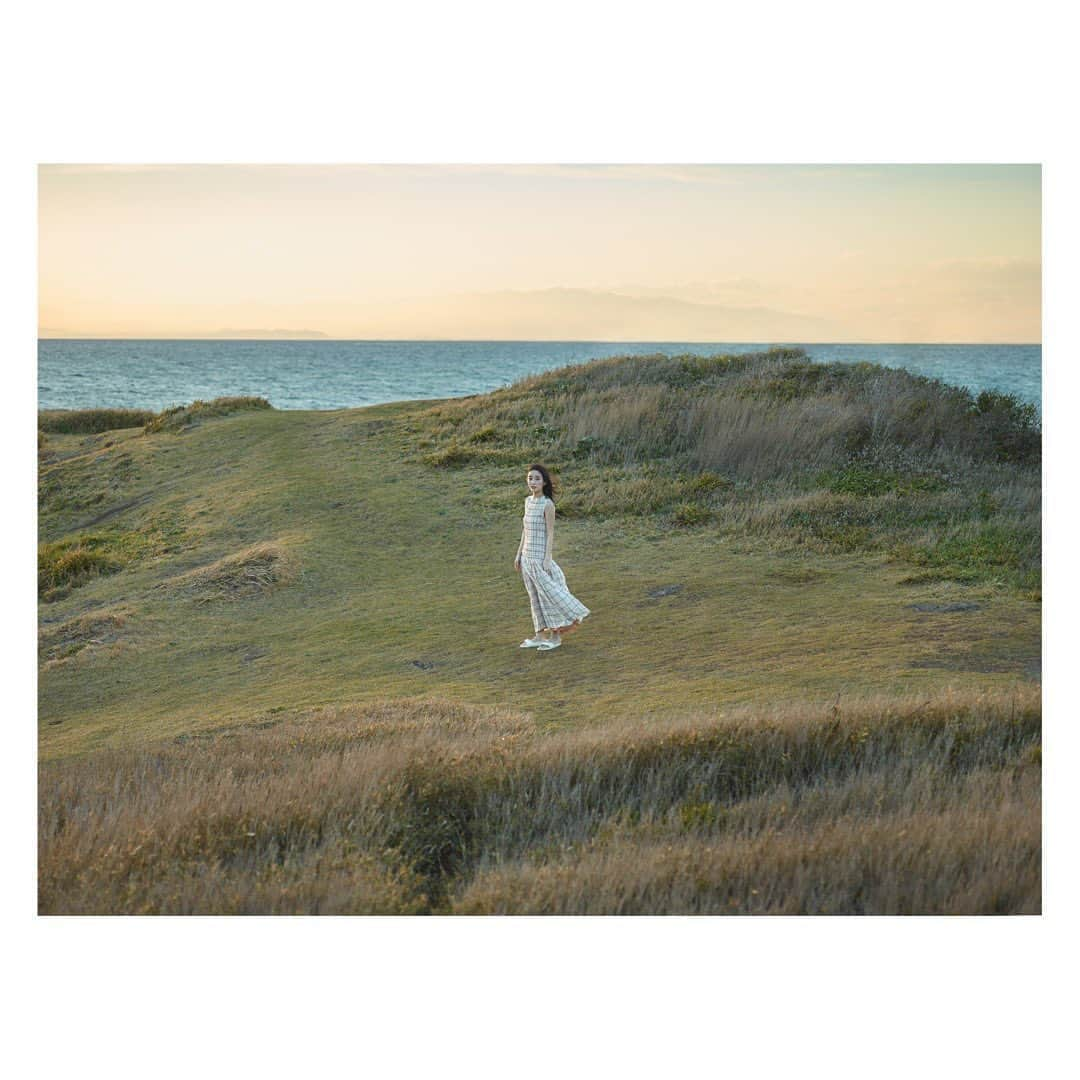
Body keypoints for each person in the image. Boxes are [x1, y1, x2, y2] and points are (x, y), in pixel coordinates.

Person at [513, 464, 590, 651]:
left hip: (540, 559)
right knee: (534, 597)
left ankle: (555, 637)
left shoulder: (547, 504)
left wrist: (547, 558)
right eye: (530, 478)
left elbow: (550, 532)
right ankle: (539, 635)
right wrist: (518, 554)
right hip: (526, 558)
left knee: (549, 596)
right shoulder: (527, 502)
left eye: (537, 479)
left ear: (545, 482)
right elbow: (525, 529)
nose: (533, 482)